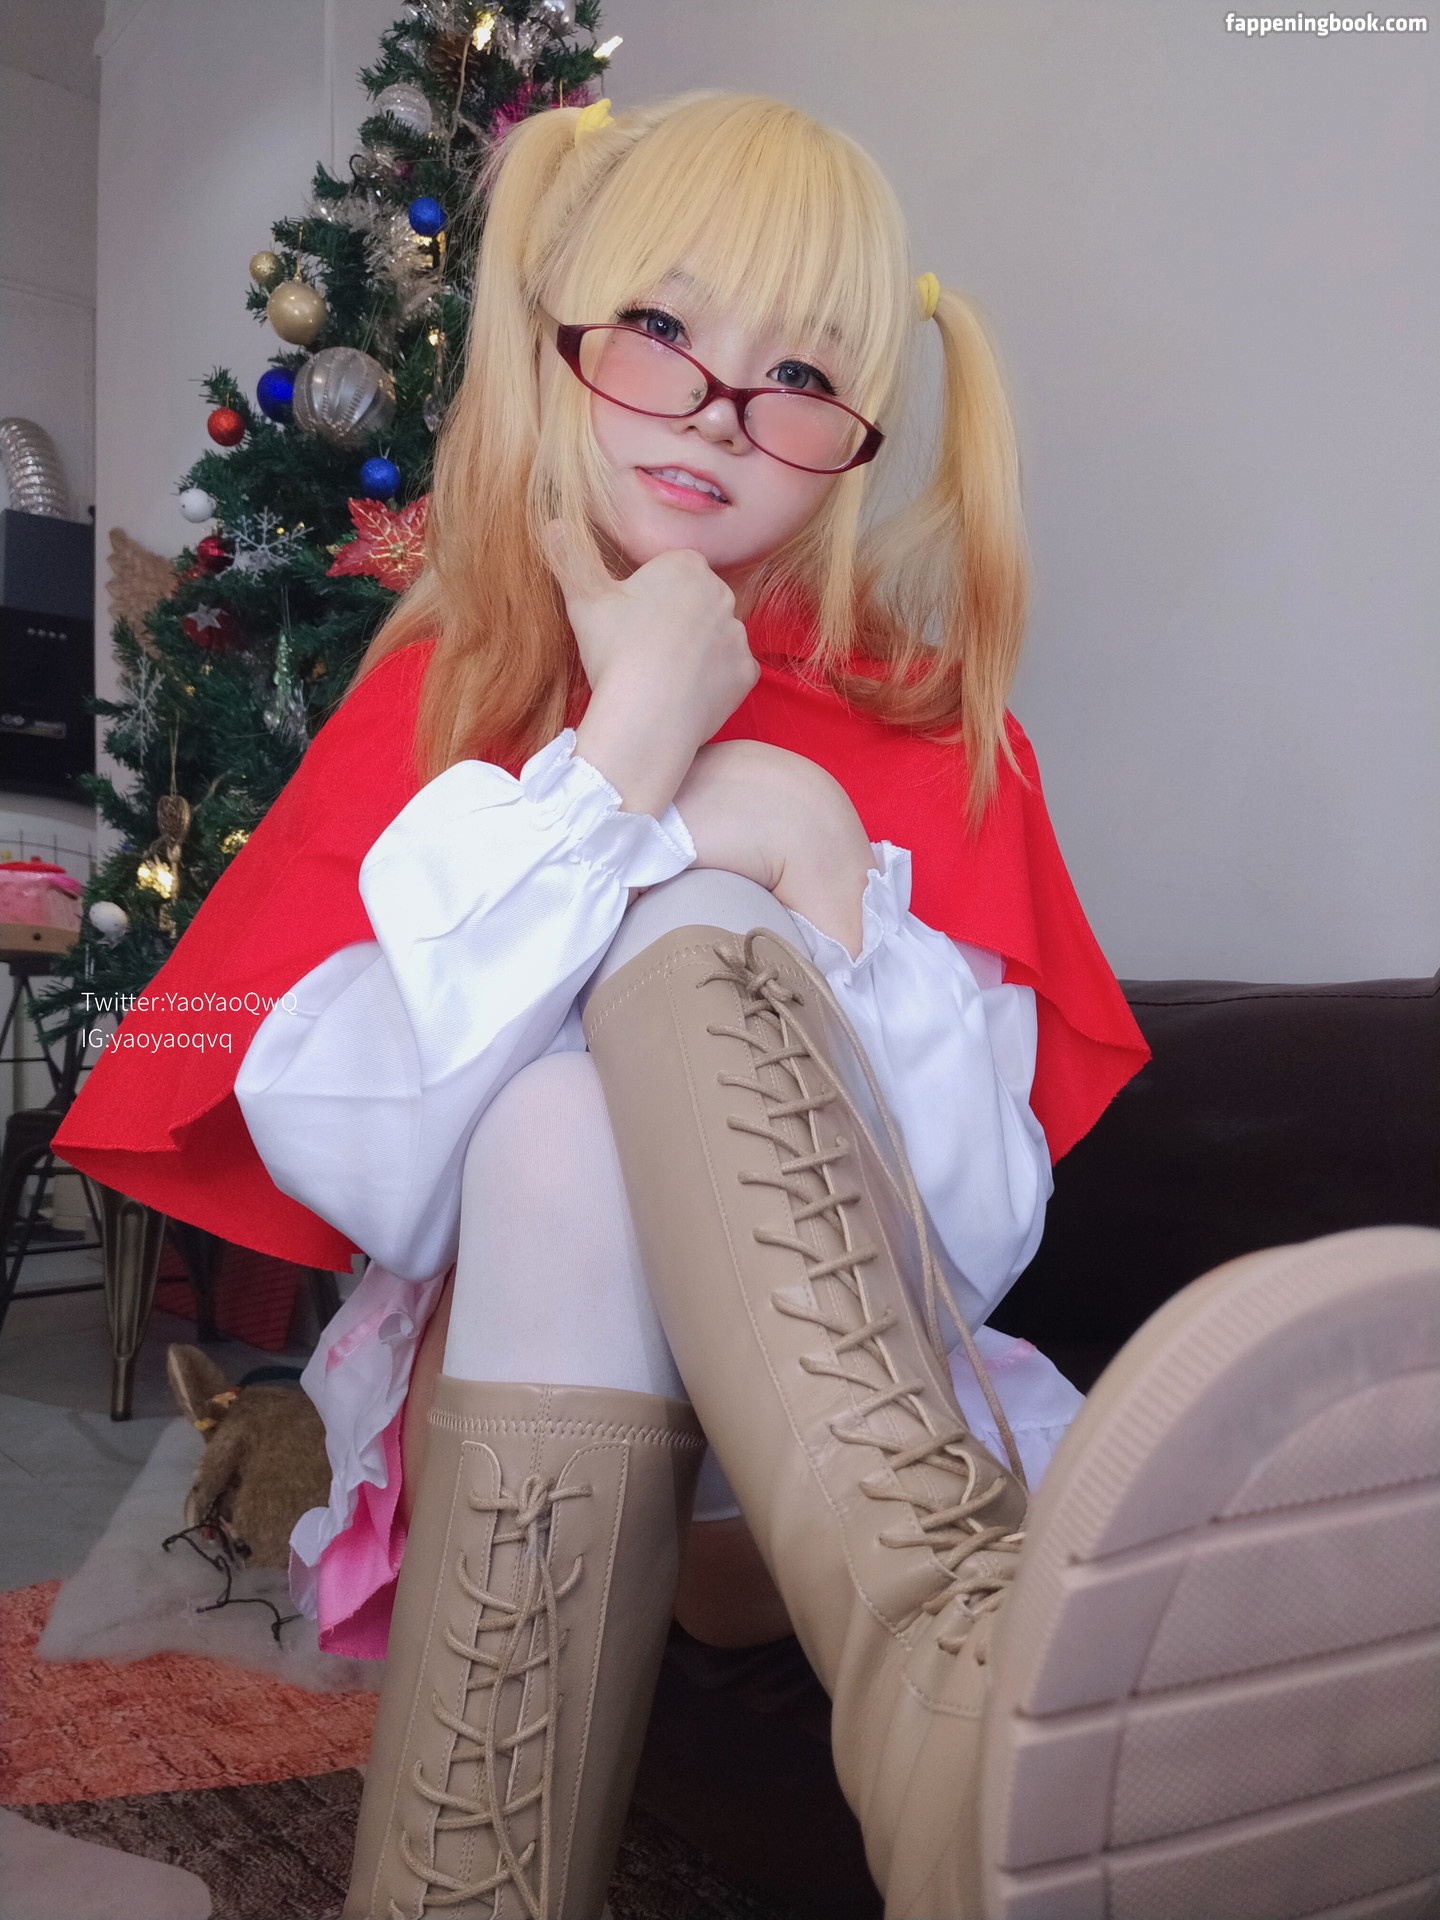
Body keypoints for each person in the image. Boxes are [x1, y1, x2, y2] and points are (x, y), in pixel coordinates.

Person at [56, 92, 1439, 1920]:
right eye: (660, 328)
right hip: (532, 1392)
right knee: (559, 1112)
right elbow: (372, 1163)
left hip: (823, 1439)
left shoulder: (924, 724)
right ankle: (909, 1673)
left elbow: (972, 1240)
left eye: (798, 373)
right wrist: (637, 755)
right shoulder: (460, 693)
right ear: (558, 339)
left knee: (691, 931)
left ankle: (933, 1653)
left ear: (856, 438)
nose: (718, 407)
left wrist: (812, 853)